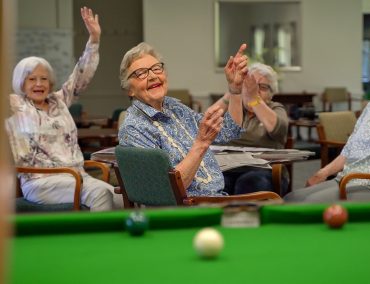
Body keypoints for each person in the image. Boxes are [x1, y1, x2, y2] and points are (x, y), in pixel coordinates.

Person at [6, 7, 123, 211]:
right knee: (99, 194)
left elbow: (81, 76)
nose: (38, 84)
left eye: (43, 78)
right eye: (31, 79)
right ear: (21, 83)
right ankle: (95, 242)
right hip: (40, 182)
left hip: (76, 177)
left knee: (122, 199)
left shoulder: (59, 101)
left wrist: (94, 40)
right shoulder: (15, 105)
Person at [118, 42, 248, 196]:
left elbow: (229, 131)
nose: (153, 76)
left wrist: (235, 90)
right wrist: (201, 143)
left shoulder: (175, 108)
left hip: (217, 199)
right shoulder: (133, 128)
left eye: (156, 68)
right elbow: (165, 189)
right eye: (141, 73)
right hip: (186, 210)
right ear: (129, 90)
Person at [284, 49, 370, 203]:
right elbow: (349, 149)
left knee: (309, 204)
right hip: (349, 179)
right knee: (292, 198)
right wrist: (323, 172)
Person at [216, 63, 289, 196]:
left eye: (262, 87)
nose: (254, 89)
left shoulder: (275, 108)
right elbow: (204, 124)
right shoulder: (234, 107)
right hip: (228, 168)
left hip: (264, 170)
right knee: (214, 183)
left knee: (250, 182)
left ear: (271, 94)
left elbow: (278, 130)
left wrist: (254, 98)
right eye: (250, 85)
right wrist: (233, 91)